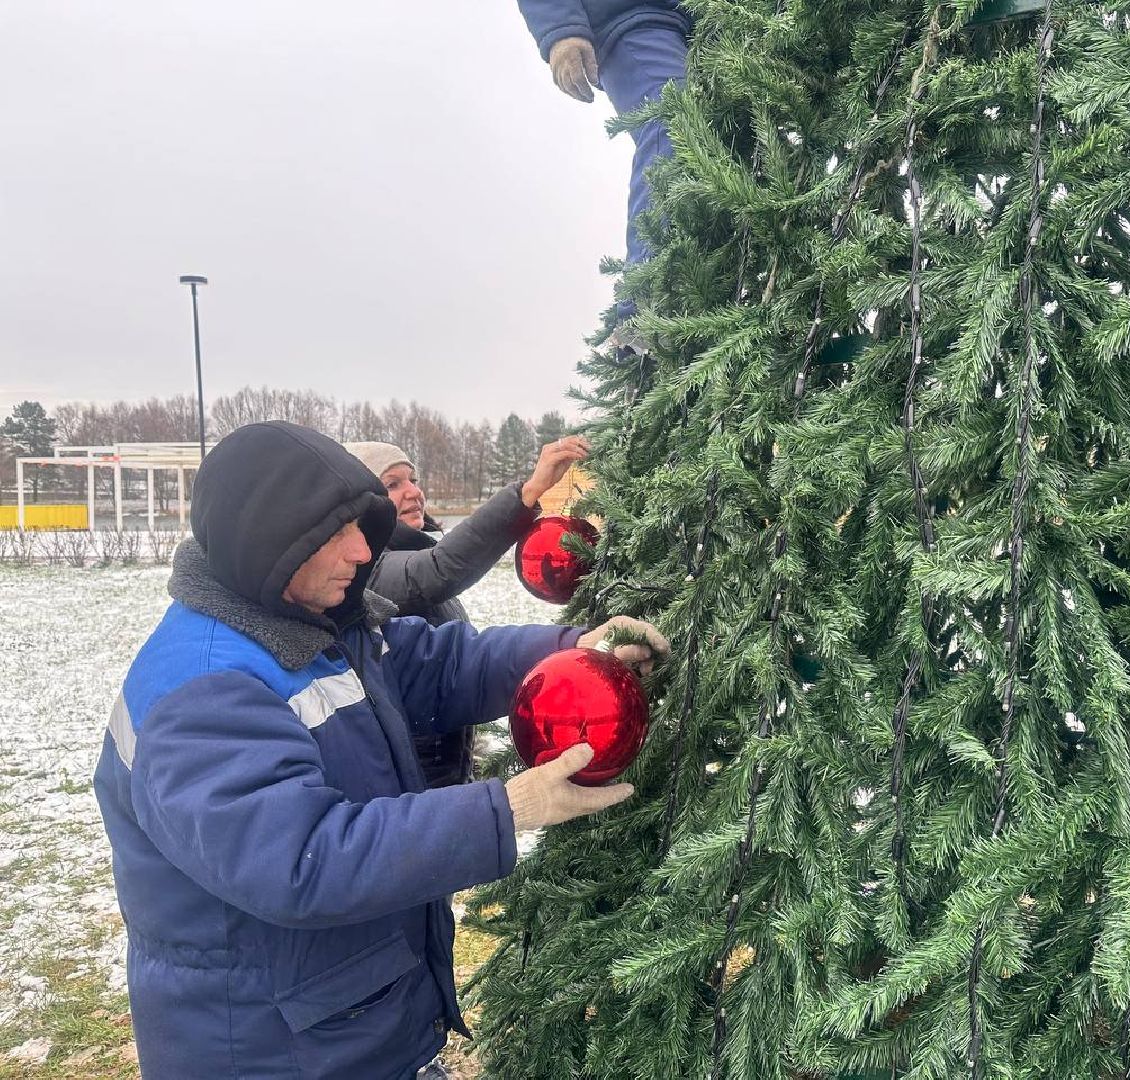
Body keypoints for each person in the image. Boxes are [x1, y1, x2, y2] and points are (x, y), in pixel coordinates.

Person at [93, 421, 668, 1080]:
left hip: (347, 1031)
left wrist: (575, 648)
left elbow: (446, 666)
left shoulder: (317, 623)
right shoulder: (202, 694)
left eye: (359, 527)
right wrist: (503, 811)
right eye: (334, 534)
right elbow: (304, 861)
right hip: (270, 1053)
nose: (361, 551)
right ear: (268, 545)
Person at [342, 434, 590, 789]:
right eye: (392, 484)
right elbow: (438, 570)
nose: (413, 491)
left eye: (412, 479)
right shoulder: (365, 572)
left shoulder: (418, 548)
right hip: (410, 788)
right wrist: (529, 493)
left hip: (450, 771)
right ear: (363, 506)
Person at [514, 0, 691, 324]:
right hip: (631, 18)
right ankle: (642, 307)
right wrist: (560, 31)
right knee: (673, 119)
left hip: (709, 25)